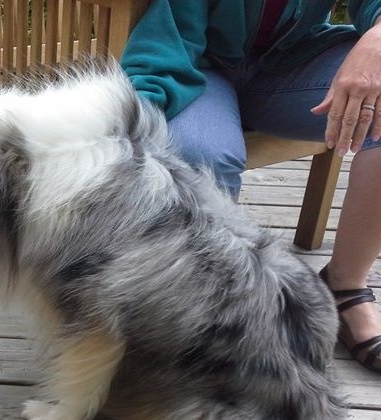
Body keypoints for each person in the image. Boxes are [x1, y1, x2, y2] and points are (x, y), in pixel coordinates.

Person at [121, 0, 381, 373]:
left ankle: (346, 285)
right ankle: (202, 312)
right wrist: (134, 110)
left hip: (293, 62)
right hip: (198, 66)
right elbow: (171, 32)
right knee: (201, 156)